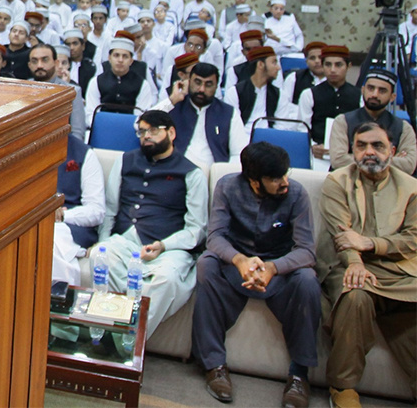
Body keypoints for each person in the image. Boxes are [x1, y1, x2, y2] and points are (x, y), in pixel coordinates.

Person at [192, 143, 320, 408]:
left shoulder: (296, 193)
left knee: (307, 280)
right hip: (236, 262)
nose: (284, 182)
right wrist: (239, 260)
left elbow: (307, 251)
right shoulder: (227, 187)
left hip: (280, 267)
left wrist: (273, 268)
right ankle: (214, 365)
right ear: (254, 181)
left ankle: (299, 374)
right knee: (206, 264)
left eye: (286, 174)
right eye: (275, 179)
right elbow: (214, 237)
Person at [317, 122, 417, 408]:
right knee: (357, 295)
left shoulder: (411, 188)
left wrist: (370, 244)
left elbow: (413, 238)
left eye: (378, 146)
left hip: (397, 270)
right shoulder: (338, 181)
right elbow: (341, 234)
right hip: (345, 265)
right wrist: (356, 262)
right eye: (361, 146)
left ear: (393, 151)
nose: (369, 152)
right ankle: (342, 386)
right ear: (352, 150)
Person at [98, 109, 208, 338]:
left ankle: (128, 342)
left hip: (169, 247)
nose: (146, 136)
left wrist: (164, 245)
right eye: (142, 131)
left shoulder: (191, 173)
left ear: (172, 133)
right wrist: (101, 243)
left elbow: (197, 229)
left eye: (153, 130)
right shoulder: (125, 161)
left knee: (166, 280)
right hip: (126, 239)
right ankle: (113, 331)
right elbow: (110, 210)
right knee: (101, 258)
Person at [152, 62, 248, 171]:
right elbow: (140, 124)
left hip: (213, 176)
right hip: (175, 171)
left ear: (216, 86)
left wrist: (222, 175)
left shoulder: (228, 113)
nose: (201, 89)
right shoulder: (174, 106)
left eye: (208, 84)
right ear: (188, 82)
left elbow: (239, 154)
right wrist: (172, 100)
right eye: (197, 82)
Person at [326, 68, 417, 175]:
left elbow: (409, 165)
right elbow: (338, 160)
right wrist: (390, 158)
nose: (374, 94)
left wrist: (354, 156)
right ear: (363, 90)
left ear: (392, 97)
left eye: (382, 91)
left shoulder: (403, 127)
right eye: (370, 88)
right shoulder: (343, 121)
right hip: (349, 183)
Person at [52, 136, 106, 284]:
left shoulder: (84, 153)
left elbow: (96, 210)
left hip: (70, 225)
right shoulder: (26, 149)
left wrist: (62, 215)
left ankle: (58, 299)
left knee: (50, 238)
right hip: (30, 221)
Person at [297, 45, 360, 160]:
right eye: (328, 65)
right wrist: (312, 146)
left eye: (338, 65)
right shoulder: (309, 94)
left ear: (348, 66)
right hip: (317, 154)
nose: (332, 70)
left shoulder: (359, 95)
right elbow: (302, 127)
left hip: (349, 156)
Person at [84, 35, 156, 127]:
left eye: (125, 56)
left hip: (131, 130)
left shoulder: (142, 84)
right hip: (102, 129)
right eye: (116, 55)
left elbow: (140, 116)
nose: (120, 60)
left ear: (131, 61)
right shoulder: (96, 82)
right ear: (109, 58)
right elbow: (91, 115)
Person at [224, 46, 294, 132]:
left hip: (270, 139)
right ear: (260, 65)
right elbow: (233, 126)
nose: (278, 68)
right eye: (274, 62)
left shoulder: (279, 94)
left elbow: (282, 125)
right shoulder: (235, 92)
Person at [28, 43, 86, 142]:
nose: (39, 65)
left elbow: (77, 133)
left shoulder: (72, 92)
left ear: (55, 63)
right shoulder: (21, 89)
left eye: (45, 60)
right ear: (29, 65)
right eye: (34, 61)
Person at [281, 41, 327, 111]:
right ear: (306, 61)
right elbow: (285, 105)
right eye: (312, 58)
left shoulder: (335, 79)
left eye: (320, 57)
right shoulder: (294, 78)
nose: (317, 61)